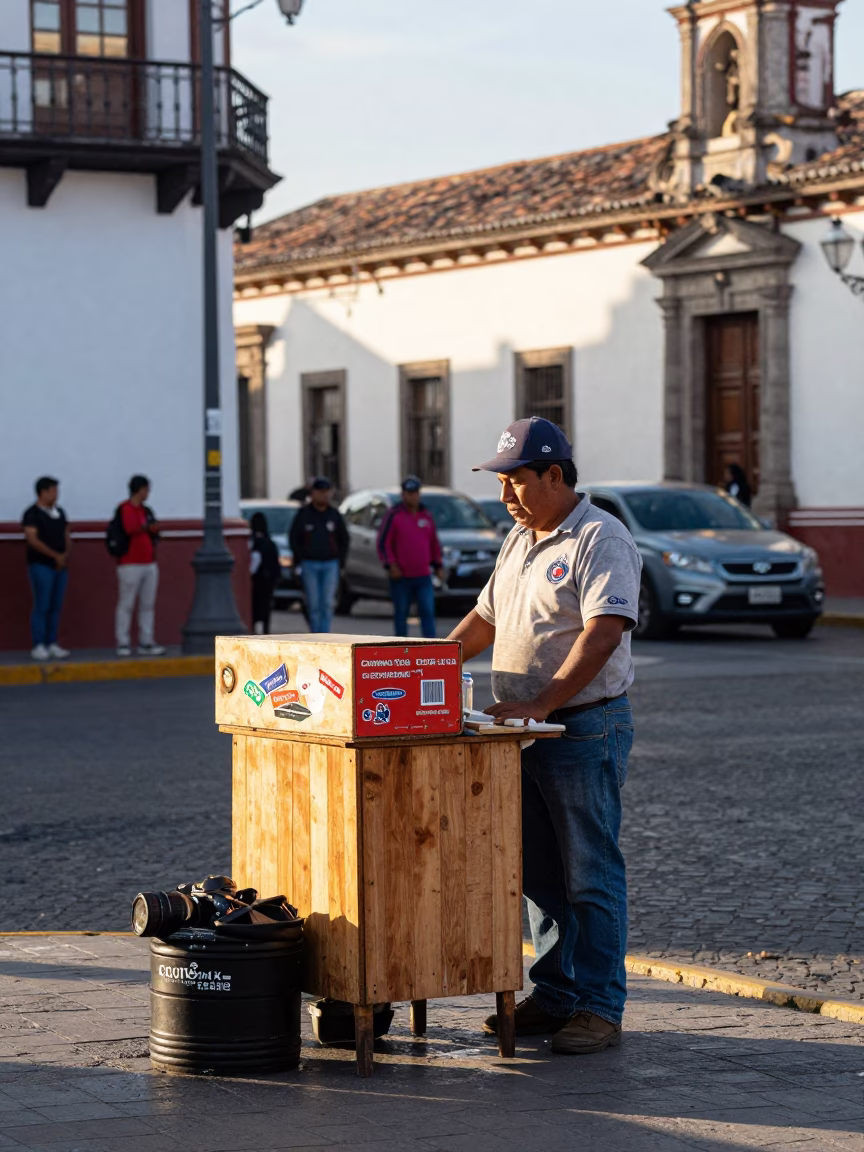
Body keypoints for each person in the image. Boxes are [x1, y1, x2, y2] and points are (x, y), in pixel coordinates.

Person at [449, 417, 641, 1055]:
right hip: (523, 733)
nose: (504, 495)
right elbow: (483, 618)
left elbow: (603, 632)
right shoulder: (518, 538)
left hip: (581, 727)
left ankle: (599, 1006)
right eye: (500, 482)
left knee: (590, 870)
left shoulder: (600, 537)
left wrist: (541, 704)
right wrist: (423, 666)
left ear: (554, 476)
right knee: (537, 873)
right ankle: (555, 993)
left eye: (515, 482)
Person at [376, 476, 445, 638]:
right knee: (401, 613)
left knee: (427, 611)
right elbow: (383, 543)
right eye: (409, 493)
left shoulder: (426, 515)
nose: (413, 497)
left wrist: (438, 565)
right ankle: (401, 647)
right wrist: (390, 565)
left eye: (415, 493)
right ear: (403, 495)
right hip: (401, 576)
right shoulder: (394, 515)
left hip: (423, 575)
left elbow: (434, 543)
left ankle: (430, 646)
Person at [289, 477, 349, 633]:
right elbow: (294, 538)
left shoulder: (334, 515)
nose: (324, 495)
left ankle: (325, 633)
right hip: (310, 564)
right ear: (313, 493)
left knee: (327, 602)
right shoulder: (304, 515)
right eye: (320, 492)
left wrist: (340, 561)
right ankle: (316, 633)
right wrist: (300, 558)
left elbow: (343, 539)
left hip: (330, 564)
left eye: (326, 492)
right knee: (313, 603)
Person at [114, 475, 165, 657]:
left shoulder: (147, 510)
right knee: (126, 604)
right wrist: (147, 527)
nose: (148, 493)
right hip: (129, 563)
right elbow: (130, 528)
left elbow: (154, 527)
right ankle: (123, 642)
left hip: (149, 562)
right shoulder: (125, 509)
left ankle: (147, 641)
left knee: (147, 604)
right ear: (140, 490)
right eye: (146, 489)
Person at [22, 476, 71, 661]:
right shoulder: (31, 514)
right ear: (43, 492)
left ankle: (52, 642)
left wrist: (65, 554)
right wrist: (54, 555)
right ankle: (38, 644)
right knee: (42, 605)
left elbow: (67, 533)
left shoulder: (60, 512)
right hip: (41, 565)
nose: (57, 495)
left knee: (56, 606)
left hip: (60, 566)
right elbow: (32, 539)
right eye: (54, 491)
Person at [249, 511, 281, 635]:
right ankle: (266, 630)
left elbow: (254, 562)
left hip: (256, 580)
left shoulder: (254, 543)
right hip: (268, 581)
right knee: (266, 607)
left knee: (254, 606)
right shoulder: (270, 543)